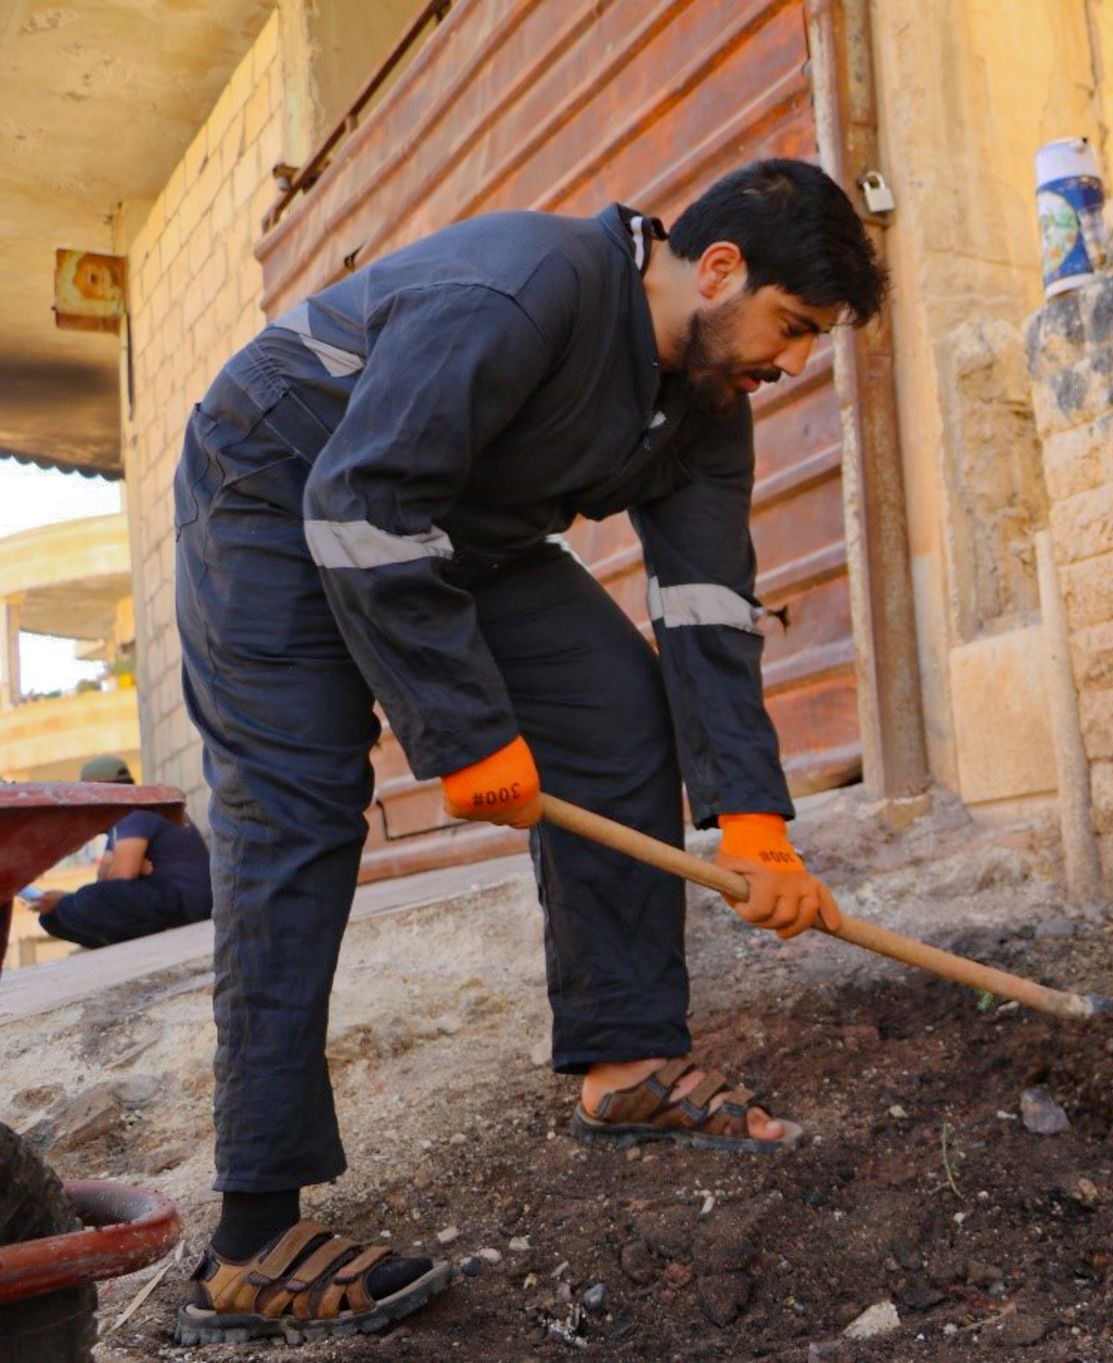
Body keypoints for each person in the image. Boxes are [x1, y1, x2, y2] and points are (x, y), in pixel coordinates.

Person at [171, 160, 886, 1345]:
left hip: (453, 523)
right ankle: (252, 1236)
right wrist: (465, 733)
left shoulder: (706, 399)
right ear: (717, 270)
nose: (792, 360)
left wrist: (755, 824)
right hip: (278, 487)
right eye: (792, 326)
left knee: (613, 711)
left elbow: (707, 603)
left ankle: (627, 1057)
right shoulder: (524, 290)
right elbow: (360, 502)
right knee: (296, 817)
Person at [27, 755, 212, 948]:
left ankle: (142, 933)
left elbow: (122, 875)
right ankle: (113, 938)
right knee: (51, 917)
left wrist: (66, 898)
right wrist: (131, 864)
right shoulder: (117, 822)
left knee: (84, 899)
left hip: (189, 902)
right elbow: (104, 877)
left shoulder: (138, 811)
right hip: (160, 897)